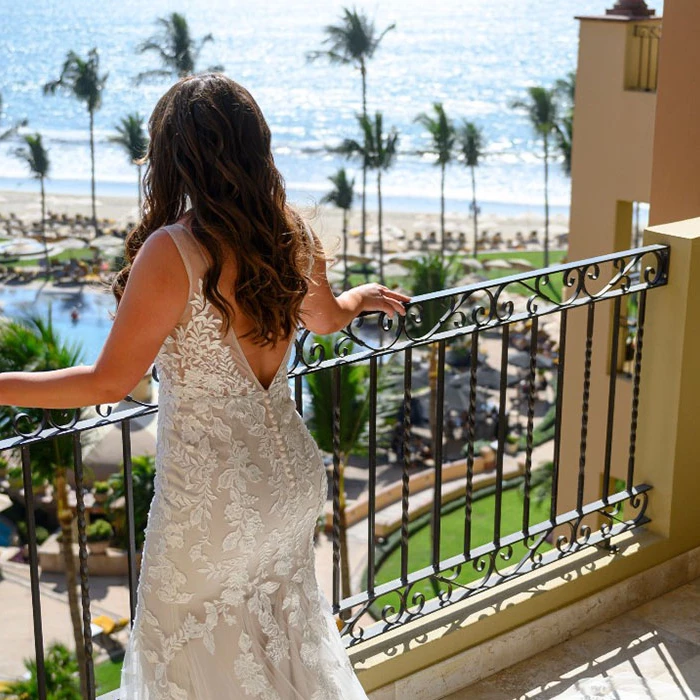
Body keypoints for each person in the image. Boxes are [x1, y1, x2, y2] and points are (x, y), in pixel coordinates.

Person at [0, 74, 409, 699]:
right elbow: (325, 320)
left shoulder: (173, 251)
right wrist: (360, 298)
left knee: (186, 660)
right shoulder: (291, 232)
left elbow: (110, 380)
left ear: (173, 158)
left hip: (213, 497)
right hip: (290, 479)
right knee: (284, 649)